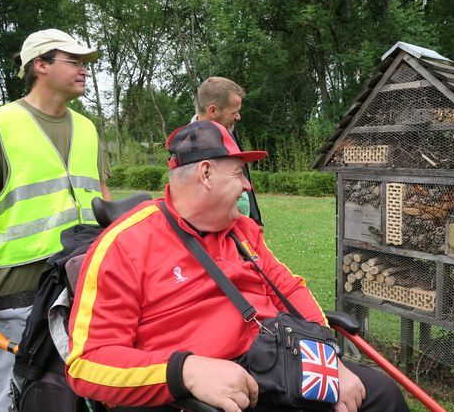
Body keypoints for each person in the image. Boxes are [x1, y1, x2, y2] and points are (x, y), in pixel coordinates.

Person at [65, 120, 408, 412]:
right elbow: (87, 364)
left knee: (380, 395)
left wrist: (327, 363)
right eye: (240, 173)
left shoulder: (242, 230)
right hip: (195, 394)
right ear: (206, 174)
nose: (248, 185)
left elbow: (289, 290)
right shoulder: (123, 246)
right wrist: (186, 371)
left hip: (271, 365)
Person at [0, 28, 111, 411]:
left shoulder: (88, 128)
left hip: (86, 284)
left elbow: (103, 200)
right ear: (40, 66)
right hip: (20, 291)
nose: (84, 70)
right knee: (16, 394)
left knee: (87, 390)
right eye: (74, 62)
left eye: (85, 63)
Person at [193, 76, 263, 225]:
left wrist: (255, 221)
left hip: (243, 226)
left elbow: (243, 180)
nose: (238, 117)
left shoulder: (227, 132)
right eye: (234, 112)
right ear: (213, 111)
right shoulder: (188, 147)